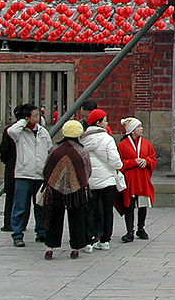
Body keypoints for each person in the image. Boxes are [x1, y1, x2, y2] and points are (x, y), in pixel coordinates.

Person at [42, 120, 91, 260]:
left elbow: (47, 169)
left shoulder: (54, 149)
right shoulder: (82, 151)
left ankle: (50, 247)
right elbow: (87, 171)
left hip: (55, 189)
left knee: (53, 217)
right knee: (77, 217)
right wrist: (78, 182)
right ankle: (75, 247)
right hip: (76, 190)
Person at [8, 103, 53, 247]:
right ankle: (17, 233)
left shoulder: (42, 132)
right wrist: (23, 121)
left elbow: (50, 149)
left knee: (41, 206)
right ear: (27, 118)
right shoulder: (19, 132)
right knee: (21, 206)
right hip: (24, 174)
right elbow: (11, 131)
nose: (38, 118)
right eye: (35, 115)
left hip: (40, 175)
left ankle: (42, 232)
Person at [81, 108, 123, 251]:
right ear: (98, 123)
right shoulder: (107, 139)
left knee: (91, 211)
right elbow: (116, 162)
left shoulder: (83, 139)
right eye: (105, 121)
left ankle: (90, 240)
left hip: (91, 180)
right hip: (107, 181)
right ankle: (105, 240)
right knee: (107, 211)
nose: (107, 123)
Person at [118, 117, 157, 242]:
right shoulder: (123, 145)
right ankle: (130, 231)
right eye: (139, 127)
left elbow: (153, 158)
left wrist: (147, 161)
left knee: (143, 204)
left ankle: (141, 228)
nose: (141, 129)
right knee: (129, 204)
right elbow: (120, 163)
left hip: (143, 177)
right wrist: (133, 162)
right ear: (132, 130)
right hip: (130, 178)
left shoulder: (146, 143)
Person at [0, 107, 24, 232]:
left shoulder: (8, 130)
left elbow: (3, 151)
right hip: (21, 167)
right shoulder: (23, 131)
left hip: (11, 166)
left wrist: (8, 161)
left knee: (10, 197)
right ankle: (21, 223)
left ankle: (8, 222)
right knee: (23, 198)